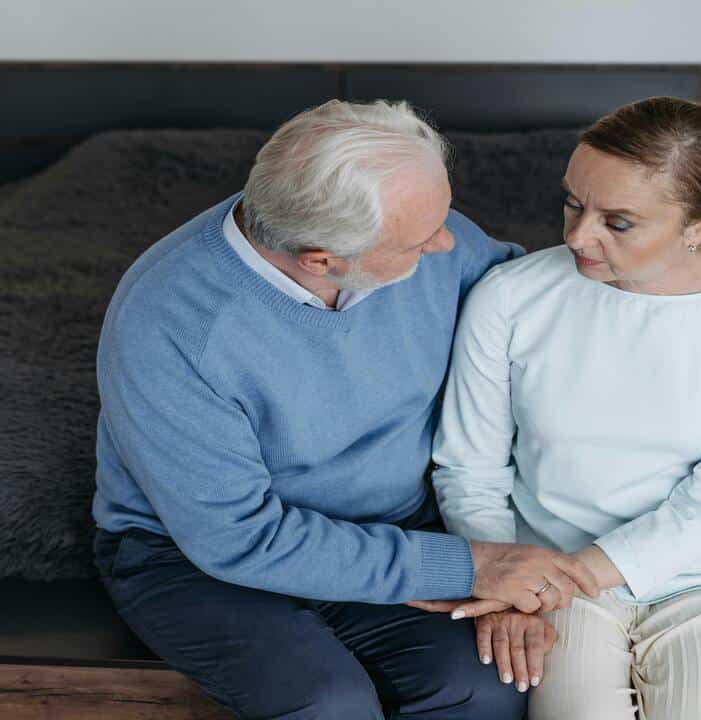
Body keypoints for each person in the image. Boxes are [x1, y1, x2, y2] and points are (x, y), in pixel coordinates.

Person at [90, 99, 600, 719]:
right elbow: (241, 537)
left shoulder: (418, 222)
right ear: (321, 260)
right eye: (420, 241)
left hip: (395, 527)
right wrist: (470, 566)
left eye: (442, 217)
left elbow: (532, 307)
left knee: (487, 688)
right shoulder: (171, 327)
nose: (448, 242)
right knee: (328, 704)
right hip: (201, 560)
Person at [421, 96, 701, 719]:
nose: (575, 236)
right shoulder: (509, 297)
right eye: (572, 203)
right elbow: (470, 470)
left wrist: (573, 574)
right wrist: (505, 579)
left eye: (617, 222)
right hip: (546, 569)